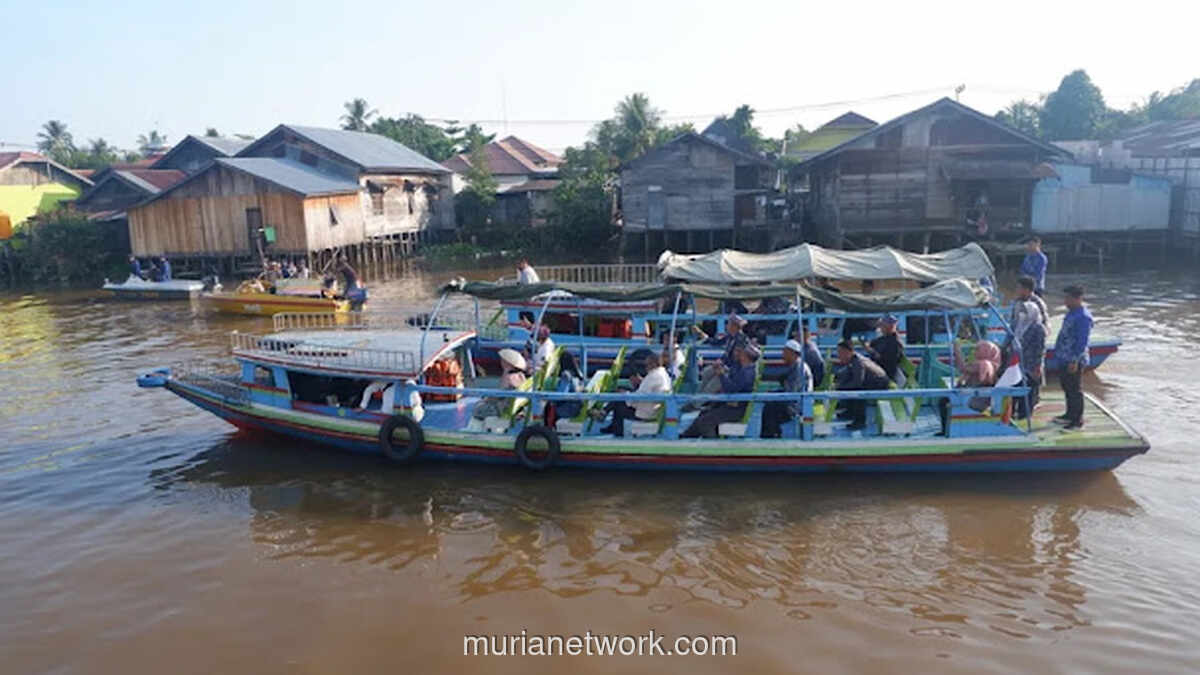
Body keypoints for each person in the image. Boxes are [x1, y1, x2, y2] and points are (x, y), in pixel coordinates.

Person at [681, 343, 759, 438]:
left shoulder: (748, 373)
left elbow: (731, 389)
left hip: (736, 408)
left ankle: (712, 445)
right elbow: (732, 374)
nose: (738, 353)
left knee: (705, 422)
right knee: (703, 414)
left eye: (741, 352)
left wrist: (721, 375)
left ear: (745, 357)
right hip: (728, 404)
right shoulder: (741, 367)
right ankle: (685, 437)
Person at [600, 353, 672, 437]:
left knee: (619, 401)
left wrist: (625, 395)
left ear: (653, 364)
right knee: (621, 393)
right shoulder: (662, 373)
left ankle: (616, 430)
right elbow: (646, 390)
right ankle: (605, 415)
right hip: (653, 406)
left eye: (647, 365)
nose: (646, 367)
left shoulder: (653, 376)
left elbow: (637, 398)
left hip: (647, 412)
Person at [1054, 285, 1092, 430]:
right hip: (1064, 357)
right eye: (1065, 298)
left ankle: (1077, 420)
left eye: (1068, 298)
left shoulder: (1083, 317)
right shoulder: (1071, 313)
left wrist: (1075, 360)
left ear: (1078, 299)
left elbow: (1082, 341)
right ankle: (1069, 414)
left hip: (1074, 360)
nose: (1065, 301)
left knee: (1075, 389)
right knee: (1067, 387)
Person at [833, 340, 891, 431]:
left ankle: (860, 421)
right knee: (850, 386)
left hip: (880, 383)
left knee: (858, 392)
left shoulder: (857, 362)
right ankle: (850, 411)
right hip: (873, 381)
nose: (839, 355)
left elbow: (857, 383)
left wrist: (840, 388)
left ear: (848, 352)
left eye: (840, 352)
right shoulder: (853, 358)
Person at [762, 340, 813, 438]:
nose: (782, 355)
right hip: (794, 400)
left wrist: (774, 394)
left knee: (770, 407)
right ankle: (771, 432)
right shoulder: (795, 366)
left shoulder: (799, 368)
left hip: (797, 405)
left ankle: (770, 434)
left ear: (792, 353)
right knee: (769, 402)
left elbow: (792, 392)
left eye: (785, 352)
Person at [691, 314, 749, 396]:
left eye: (728, 324)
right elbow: (716, 342)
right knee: (706, 373)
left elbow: (737, 360)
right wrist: (700, 333)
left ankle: (697, 403)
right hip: (724, 365)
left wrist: (722, 365)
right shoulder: (730, 336)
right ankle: (698, 398)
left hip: (733, 370)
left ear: (734, 326)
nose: (726, 326)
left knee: (713, 384)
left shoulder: (742, 340)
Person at [1010, 299, 1047, 419]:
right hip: (1018, 363)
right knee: (1016, 388)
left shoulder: (1038, 328)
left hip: (1031, 364)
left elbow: (1040, 349)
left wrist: (1037, 366)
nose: (1023, 314)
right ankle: (1014, 413)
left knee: (1029, 391)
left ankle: (1025, 415)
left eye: (1026, 312)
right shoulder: (1020, 325)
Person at [472, 349, 527, 420]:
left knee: (476, 409)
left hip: (500, 409)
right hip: (510, 407)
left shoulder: (508, 378)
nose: (501, 362)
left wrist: (486, 399)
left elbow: (499, 395)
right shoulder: (521, 376)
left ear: (507, 363)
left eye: (503, 360)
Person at [864, 314, 904, 383]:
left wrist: (872, 352)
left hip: (885, 376)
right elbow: (872, 343)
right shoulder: (882, 339)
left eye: (882, 325)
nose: (881, 328)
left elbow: (888, 362)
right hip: (877, 372)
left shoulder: (895, 343)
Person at [550, 351, 586, 422]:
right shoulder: (579, 373)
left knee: (548, 406)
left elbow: (562, 395)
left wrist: (550, 398)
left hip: (569, 409)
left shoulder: (566, 375)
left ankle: (547, 430)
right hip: (578, 406)